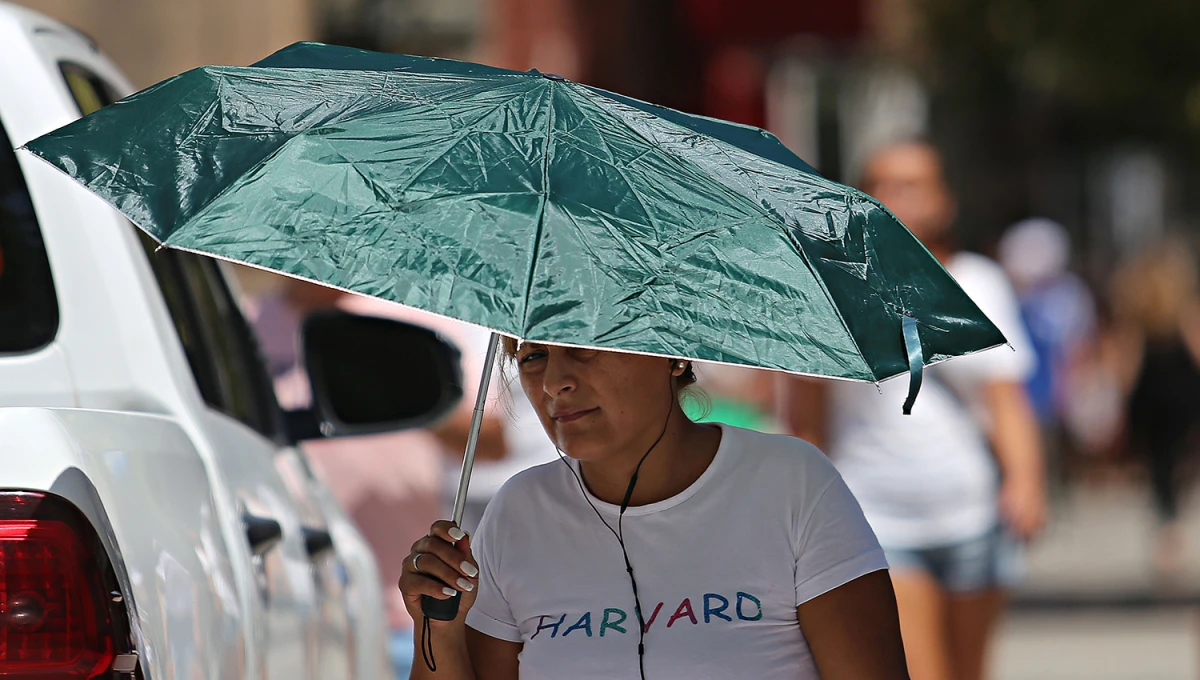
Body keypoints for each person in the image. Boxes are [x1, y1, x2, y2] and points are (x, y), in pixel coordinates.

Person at [398, 342, 911, 679]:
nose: (555, 381)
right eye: (532, 357)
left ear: (672, 353)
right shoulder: (516, 511)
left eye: (581, 345)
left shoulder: (792, 483)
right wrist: (437, 628)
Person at [781, 140, 1046, 680]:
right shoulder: (829, 289)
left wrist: (1027, 483)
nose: (894, 197)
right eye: (880, 183)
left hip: (974, 512)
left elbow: (1006, 401)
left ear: (943, 200)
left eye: (912, 185)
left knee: (970, 670)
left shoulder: (979, 282)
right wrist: (803, 509)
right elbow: (808, 416)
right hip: (877, 515)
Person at [247, 279, 510, 680]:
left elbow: (491, 439)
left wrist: (405, 384)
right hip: (287, 612)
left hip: (401, 610)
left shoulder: (408, 318)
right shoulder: (246, 325)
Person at [1110, 240, 1200, 580]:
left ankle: (1166, 529)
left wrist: (1123, 402)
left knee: (1159, 465)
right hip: (1184, 394)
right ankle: (1171, 528)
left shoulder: (1139, 309)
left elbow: (1127, 360)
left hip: (1150, 397)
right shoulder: (1184, 307)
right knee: (1179, 464)